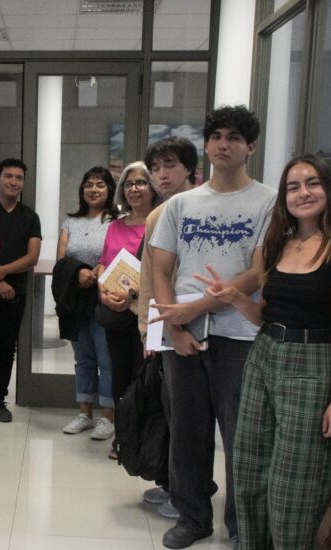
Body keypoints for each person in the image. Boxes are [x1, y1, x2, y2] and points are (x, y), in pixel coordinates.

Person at [192, 154, 331, 550]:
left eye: (311, 184)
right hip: (265, 355)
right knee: (247, 473)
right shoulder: (278, 244)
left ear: (328, 190)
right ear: (284, 198)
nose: (302, 192)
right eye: (293, 186)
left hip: (314, 363)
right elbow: (266, 315)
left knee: (294, 486)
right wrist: (235, 299)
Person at [148, 105, 276, 550]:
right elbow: (161, 267)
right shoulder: (182, 204)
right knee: (187, 428)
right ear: (206, 145)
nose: (224, 144)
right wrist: (175, 326)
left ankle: (241, 528)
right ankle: (193, 516)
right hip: (183, 337)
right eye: (217, 136)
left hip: (240, 336)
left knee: (241, 435)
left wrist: (196, 307)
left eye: (235, 137)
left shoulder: (268, 201)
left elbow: (259, 272)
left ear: (251, 147)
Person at [137, 137, 200, 518]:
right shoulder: (157, 216)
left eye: (171, 165)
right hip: (167, 329)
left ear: (190, 168)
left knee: (191, 419)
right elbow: (150, 280)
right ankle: (177, 486)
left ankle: (190, 491)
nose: (162, 174)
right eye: (156, 167)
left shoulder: (202, 208)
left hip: (206, 325)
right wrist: (149, 331)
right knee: (172, 411)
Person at [0, 158, 42, 423]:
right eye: (8, 176)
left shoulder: (29, 216)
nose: (14, 182)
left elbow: (33, 256)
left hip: (16, 292)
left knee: (6, 347)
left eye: (18, 178)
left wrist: (4, 272)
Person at [57, 167, 120, 440]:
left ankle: (108, 415)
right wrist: (81, 273)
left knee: (107, 358)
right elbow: (62, 261)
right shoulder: (71, 222)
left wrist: (99, 274)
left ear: (109, 189)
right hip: (76, 298)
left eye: (100, 184)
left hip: (106, 298)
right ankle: (85, 412)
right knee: (83, 358)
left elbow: (122, 256)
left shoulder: (118, 221)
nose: (93, 189)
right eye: (88, 184)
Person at [95, 161, 153, 460]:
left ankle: (144, 439)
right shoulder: (115, 226)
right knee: (119, 376)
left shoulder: (160, 221)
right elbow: (103, 264)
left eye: (141, 182)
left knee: (143, 375)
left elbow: (163, 270)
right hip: (117, 311)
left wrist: (132, 292)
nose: (134, 188)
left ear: (152, 187)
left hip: (147, 314)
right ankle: (123, 437)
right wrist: (104, 294)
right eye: (129, 184)